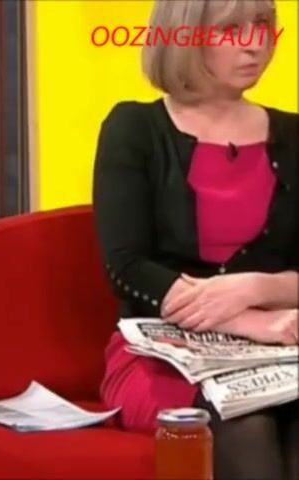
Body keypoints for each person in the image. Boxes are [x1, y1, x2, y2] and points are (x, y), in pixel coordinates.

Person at [92, 0, 297, 479]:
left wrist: (255, 289)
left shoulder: (295, 136)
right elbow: (127, 267)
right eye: (230, 30)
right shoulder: (133, 129)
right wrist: (248, 320)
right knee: (245, 425)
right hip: (162, 357)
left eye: (262, 25)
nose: (254, 44)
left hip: (281, 348)